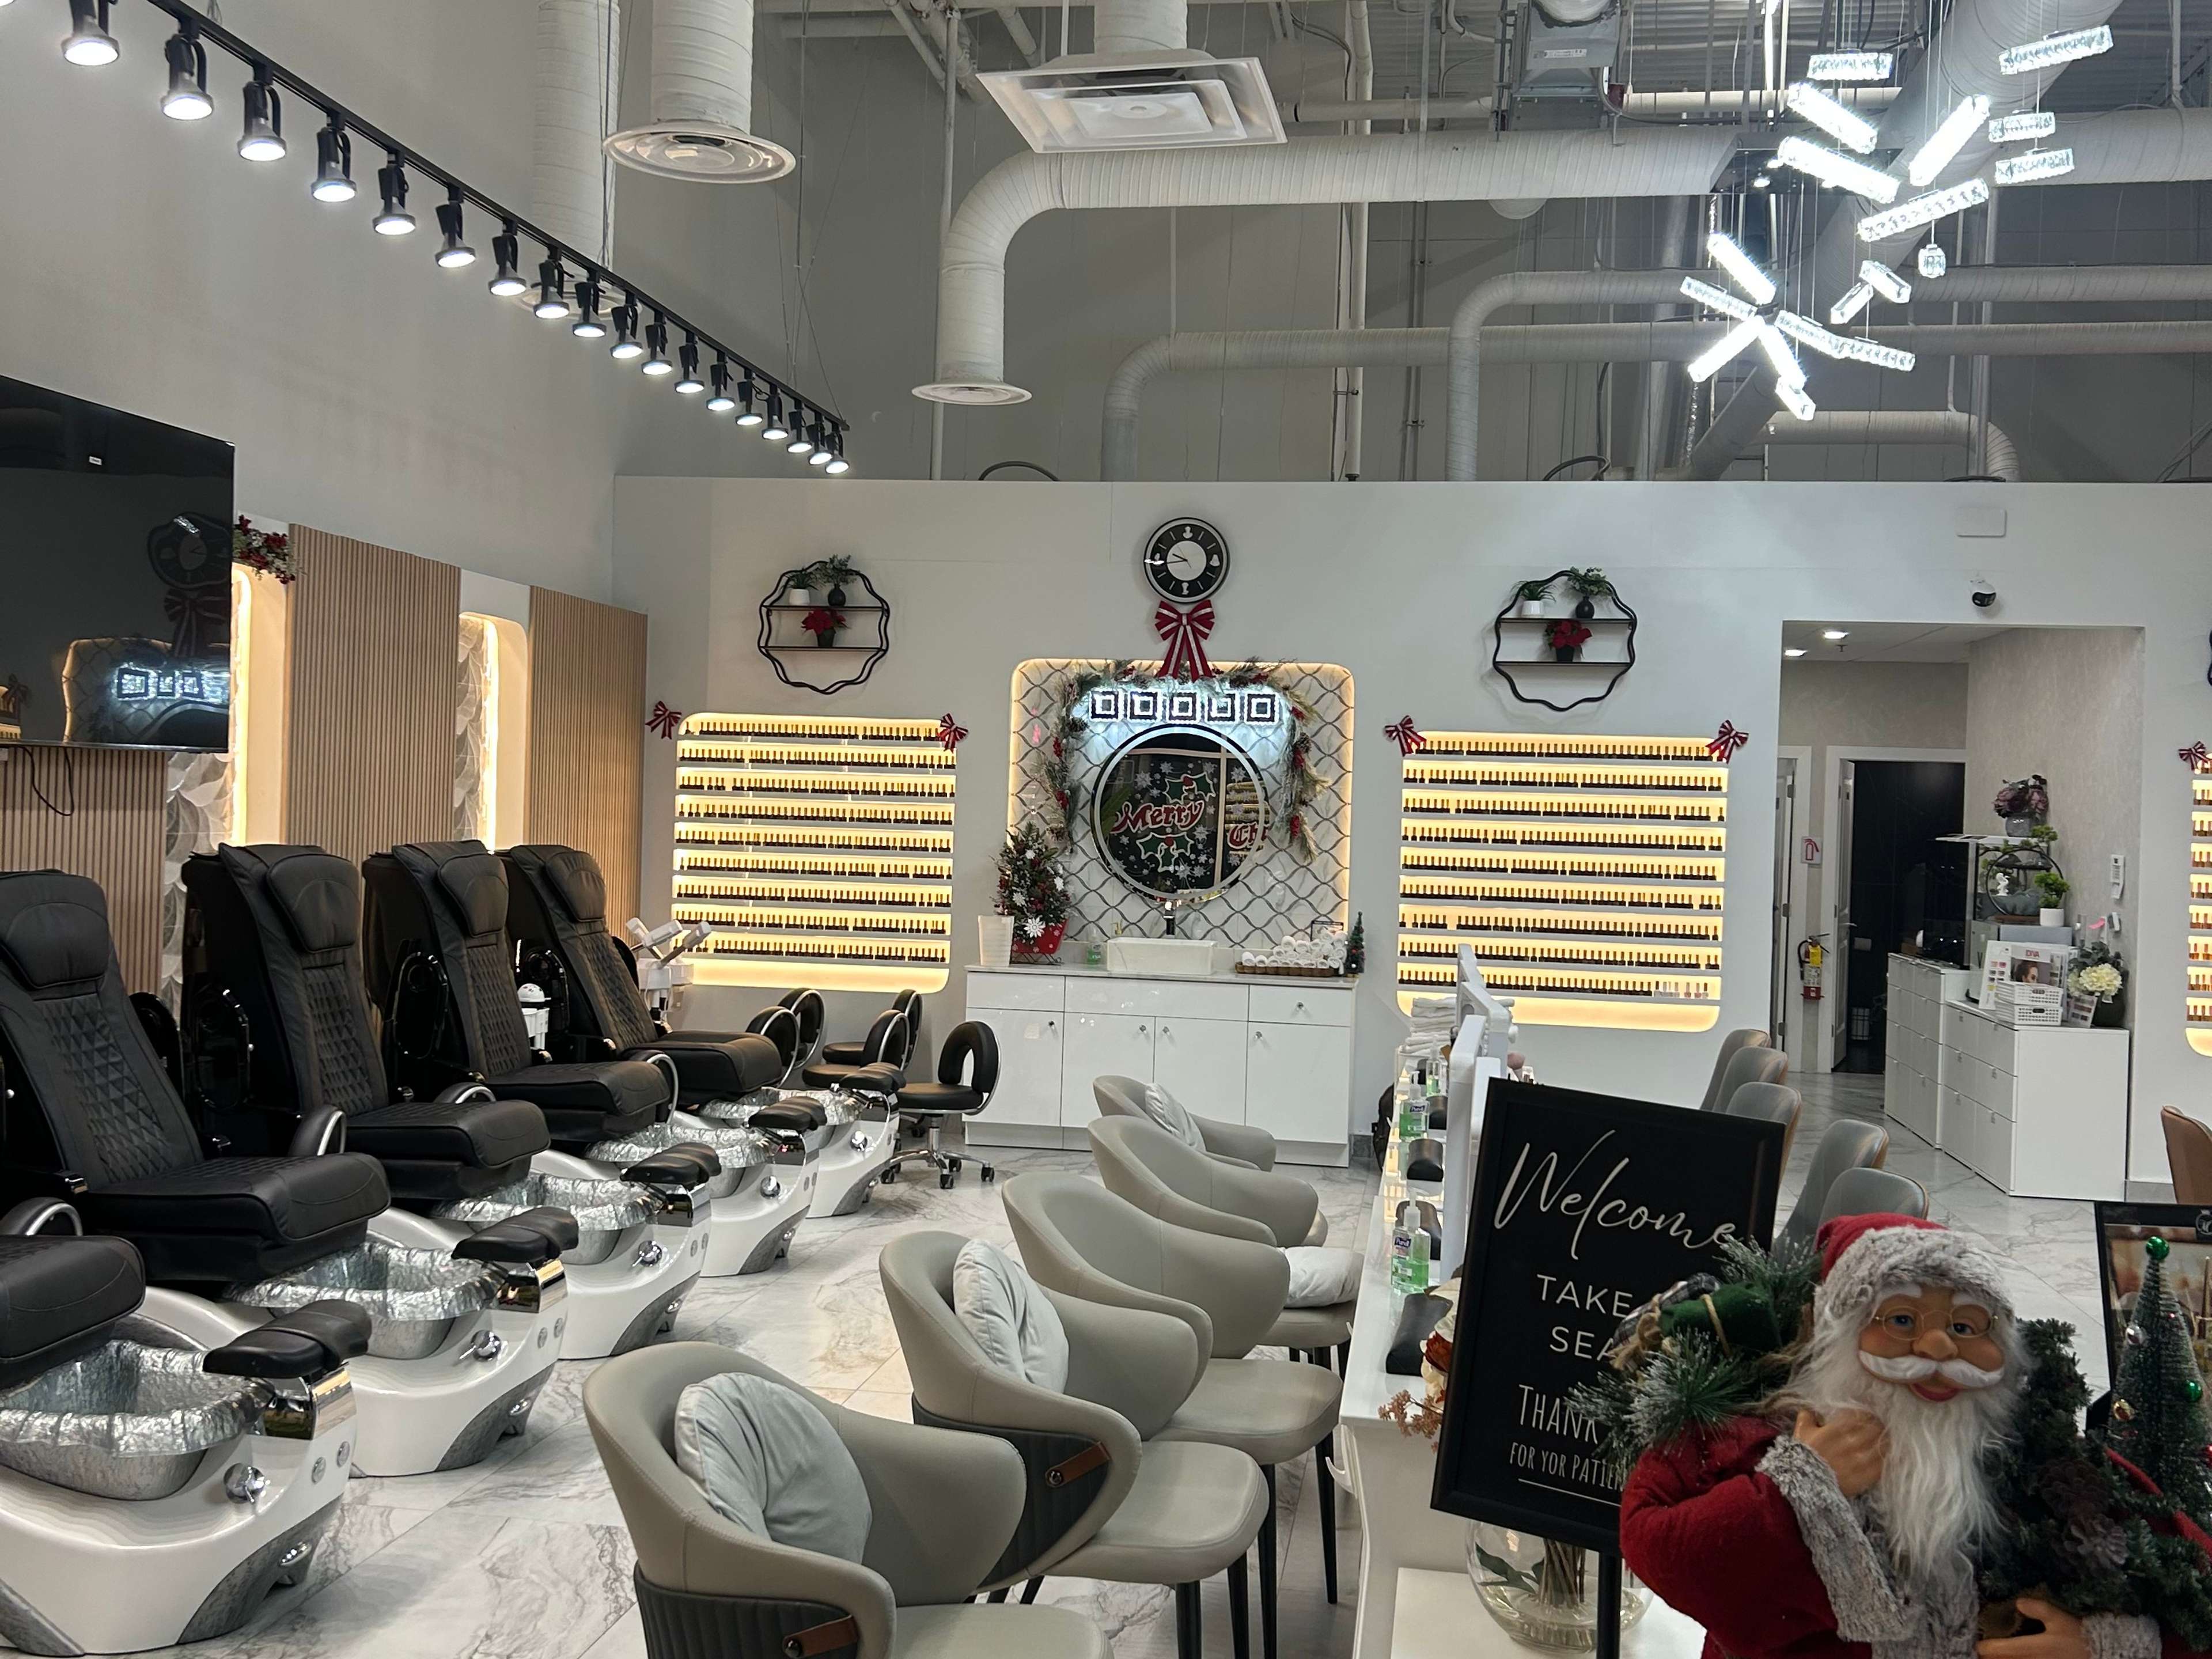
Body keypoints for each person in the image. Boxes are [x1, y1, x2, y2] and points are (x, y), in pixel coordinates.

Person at [1616, 1214, 2211, 1659]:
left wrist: (2108, 1646)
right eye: (1901, 1320)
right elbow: (1655, 1542)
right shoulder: (1759, 1438)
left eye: (1965, 1326)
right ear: (1838, 1335)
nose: (1937, 1347)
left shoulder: (2045, 1465)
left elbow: (2193, 1581)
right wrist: (1798, 1488)